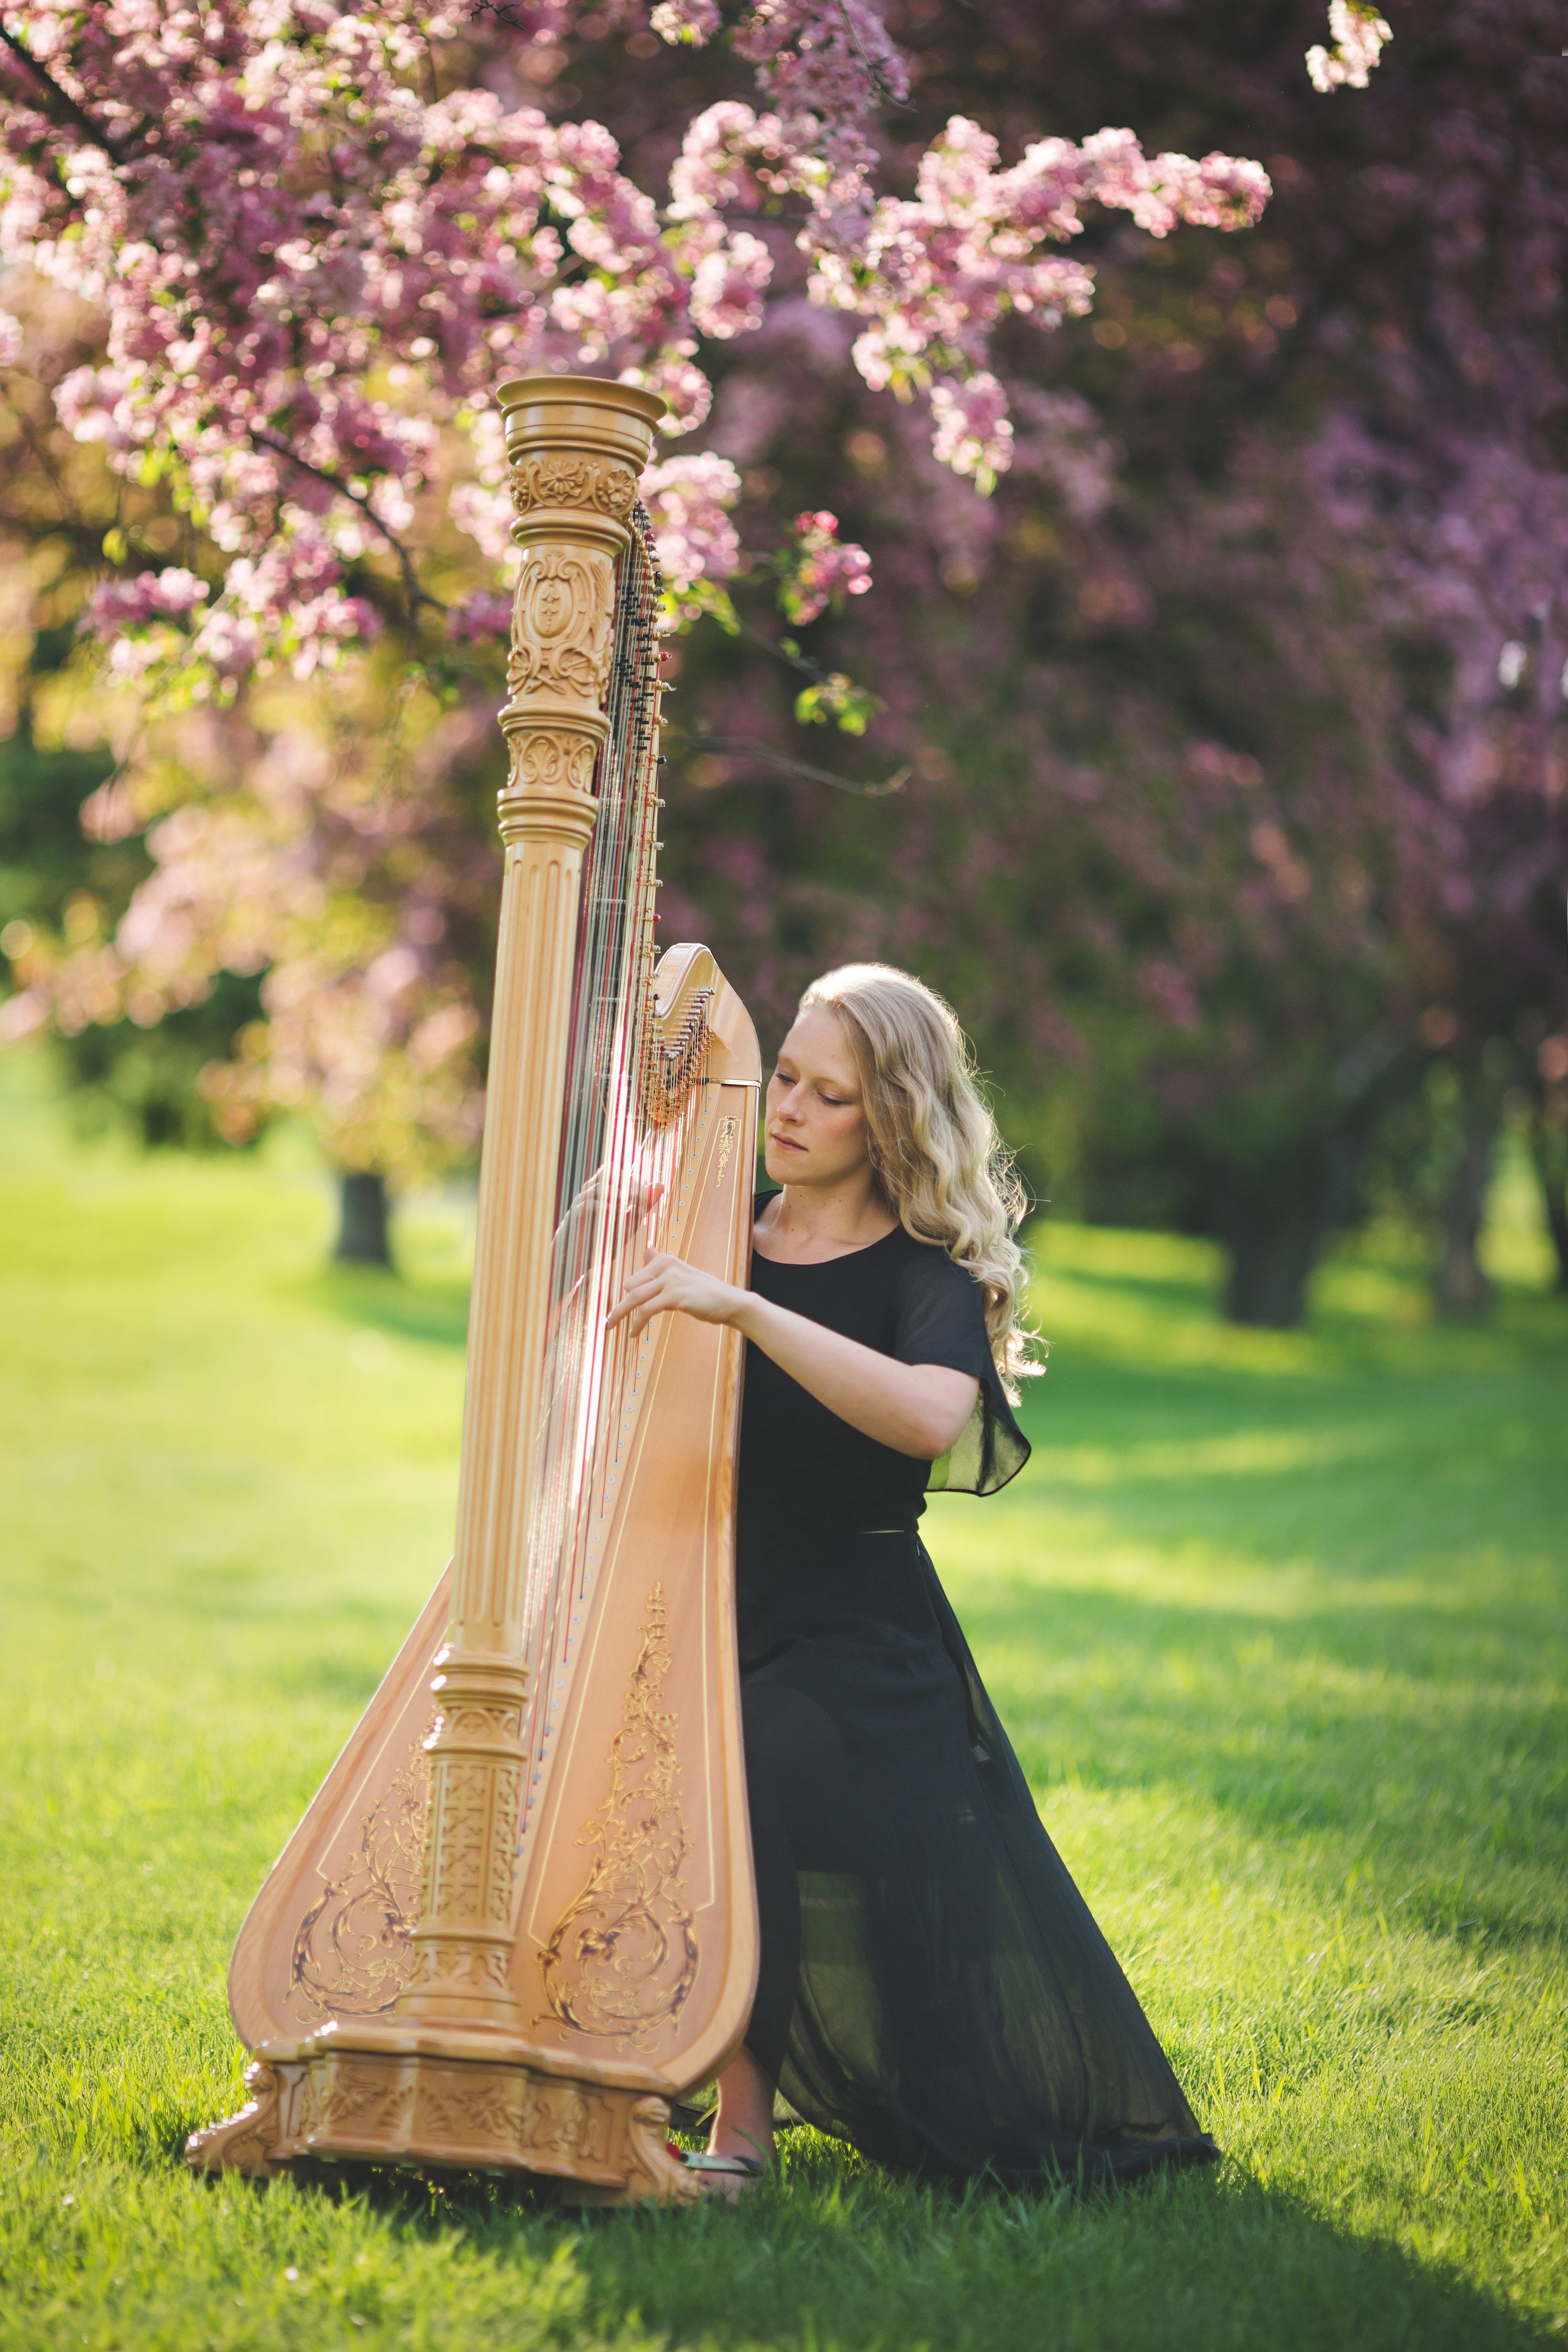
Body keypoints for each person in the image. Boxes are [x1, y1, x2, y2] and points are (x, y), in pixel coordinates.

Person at [608, 963, 1216, 2195]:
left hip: (853, 1653)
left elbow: (937, 1417)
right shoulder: (713, 1217)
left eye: (828, 1097)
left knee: (745, 1762)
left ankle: (740, 2140)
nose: (787, 1108)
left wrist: (747, 1311)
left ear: (884, 1121)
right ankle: (608, 2058)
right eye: (783, 1073)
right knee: (630, 1753)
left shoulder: (918, 1270)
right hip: (700, 1608)